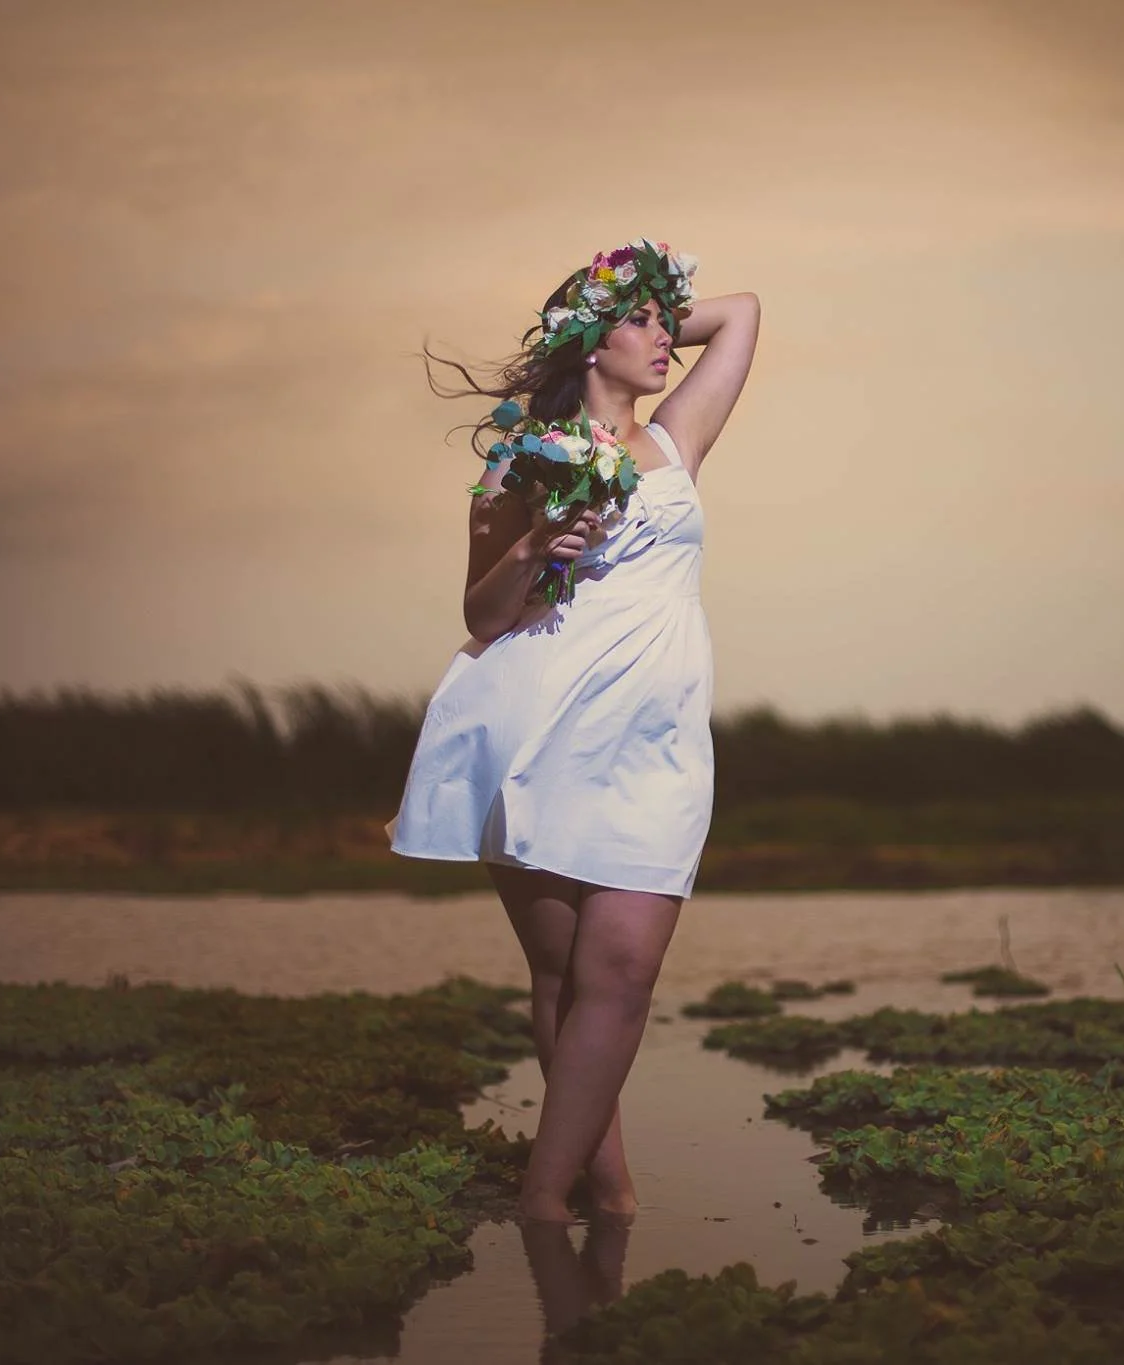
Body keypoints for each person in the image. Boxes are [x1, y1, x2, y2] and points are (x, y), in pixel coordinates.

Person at [390, 238, 760, 1225]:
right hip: (540, 722)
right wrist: (531, 544)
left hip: (658, 738)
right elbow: (481, 616)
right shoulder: (514, 465)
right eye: (639, 325)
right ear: (594, 343)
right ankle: (597, 1198)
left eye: (659, 323)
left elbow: (742, 313)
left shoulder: (676, 439)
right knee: (561, 978)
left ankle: (543, 1198)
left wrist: (618, 315)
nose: (663, 344)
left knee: (624, 973)